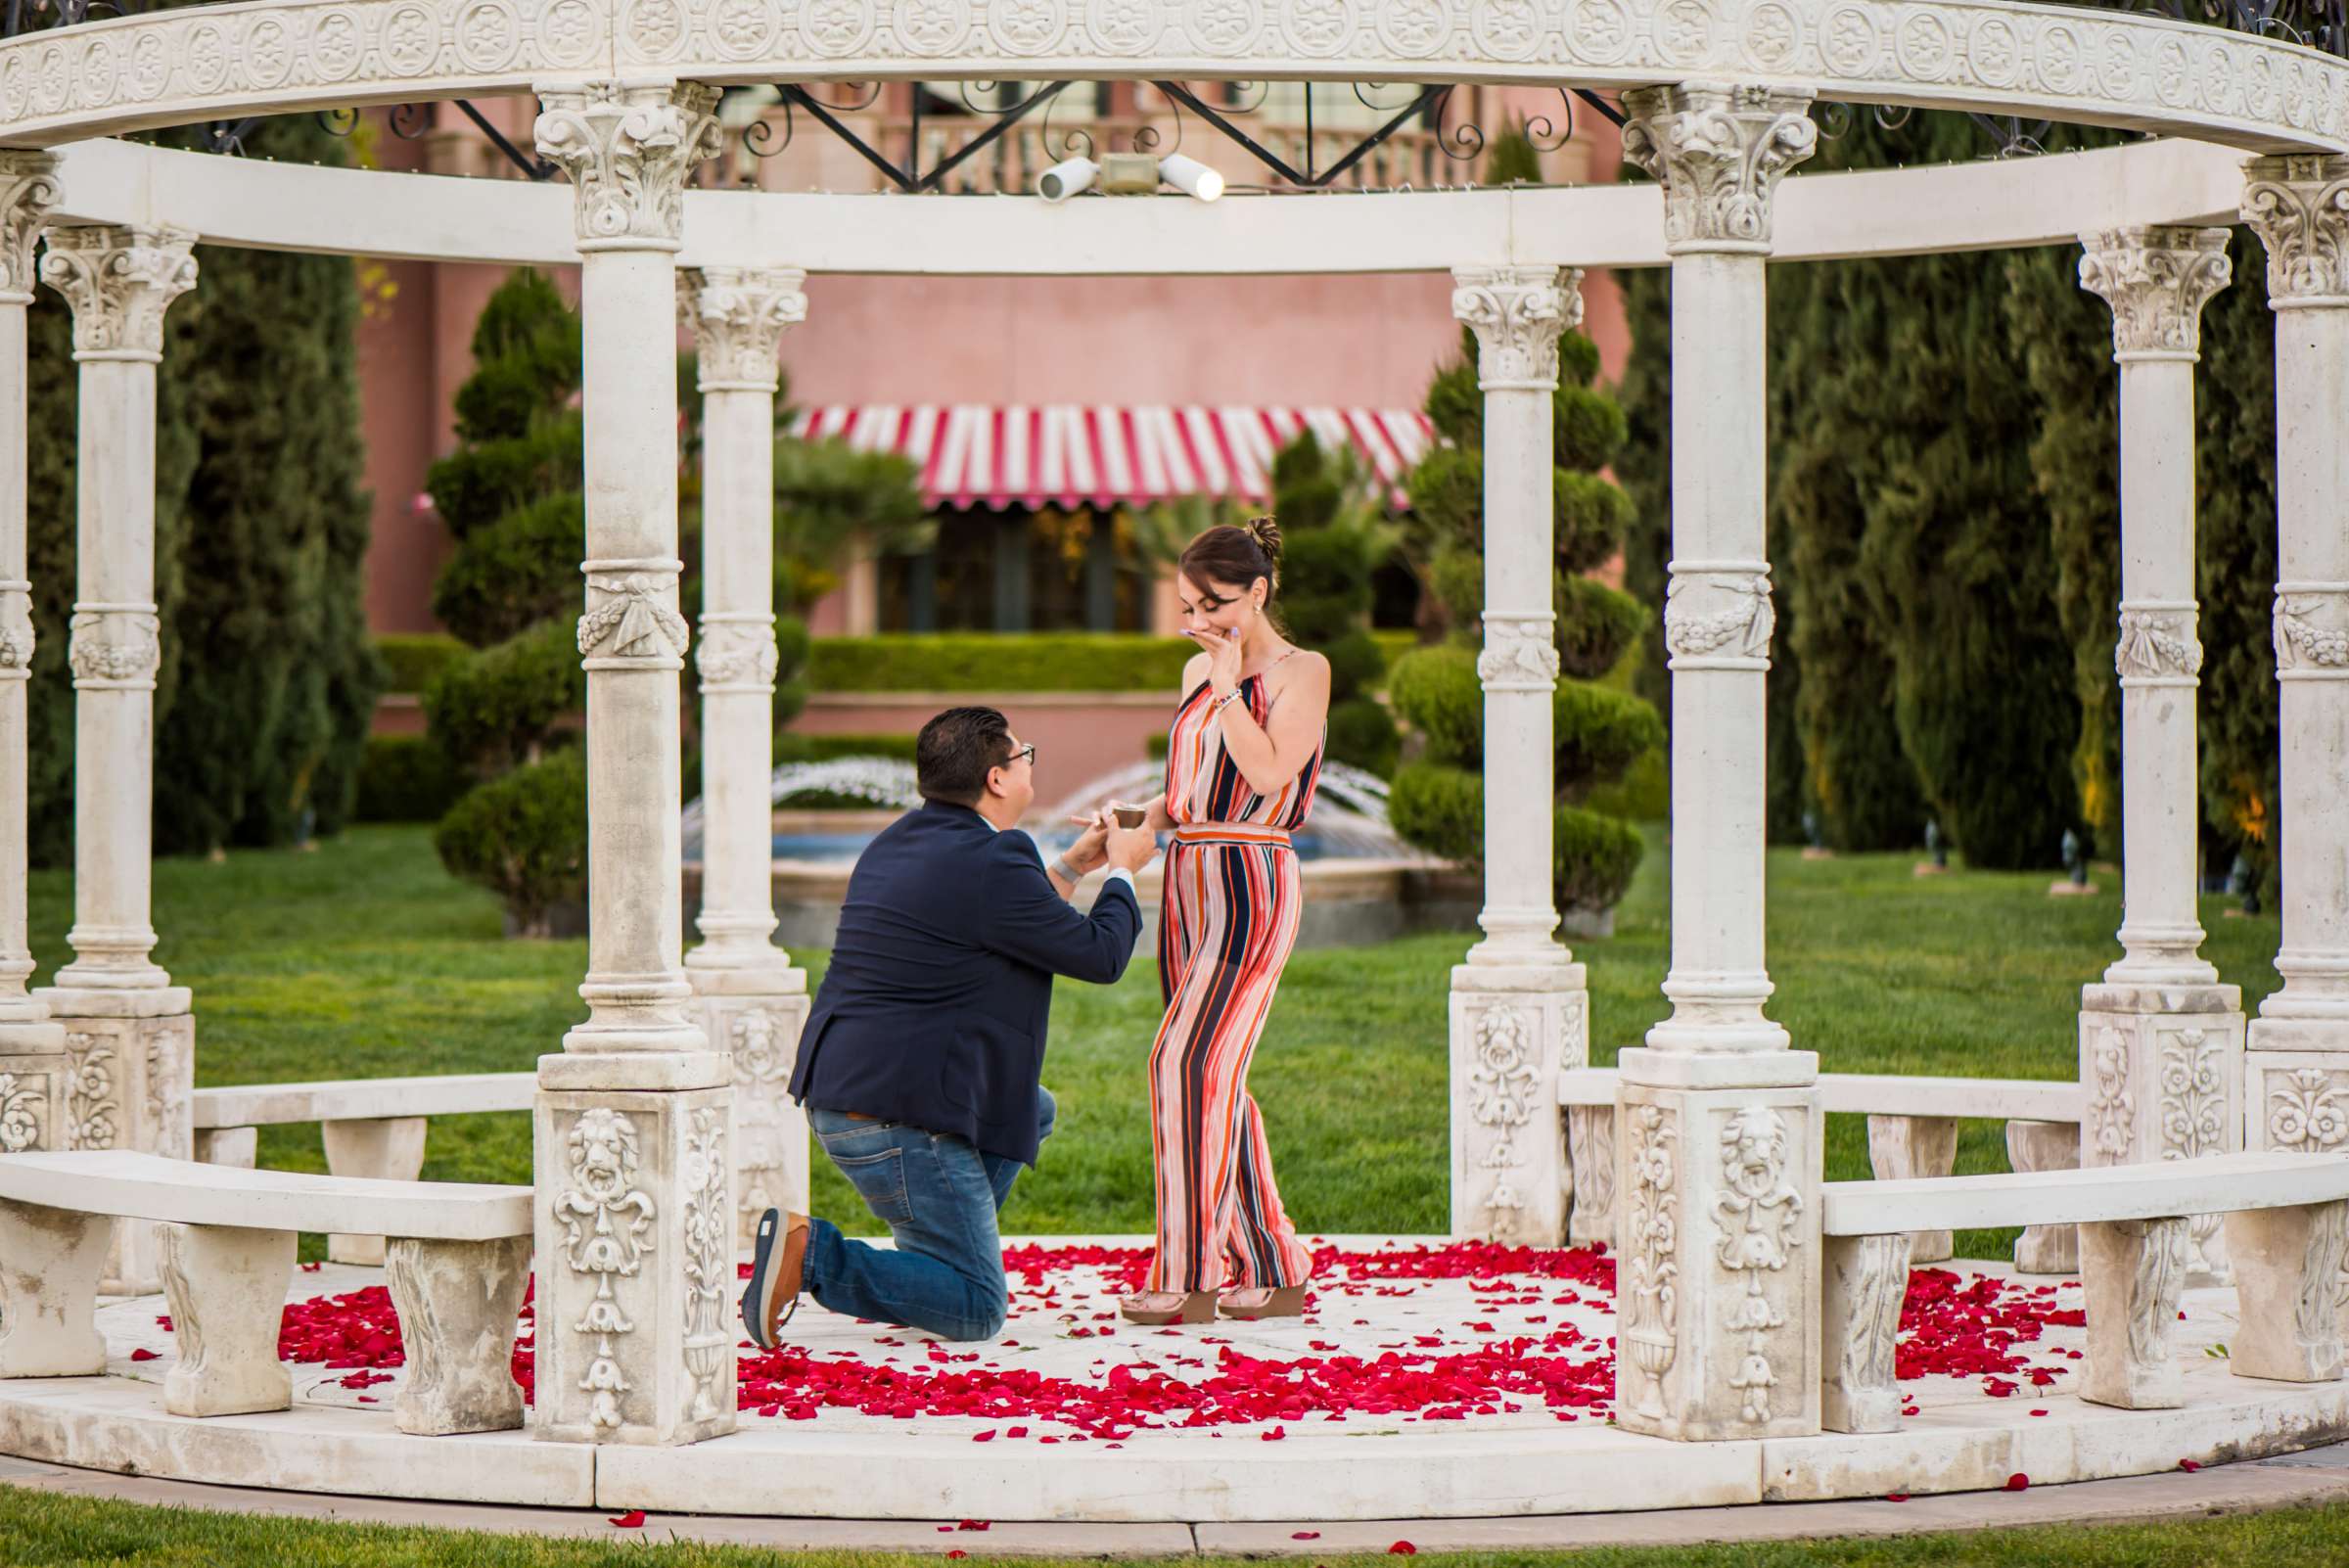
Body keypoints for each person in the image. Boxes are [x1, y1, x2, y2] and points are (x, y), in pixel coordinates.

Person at [742, 706, 1156, 1345]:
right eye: (1025, 757)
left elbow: (1008, 913)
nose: (1028, 768)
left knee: (1030, 1109)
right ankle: (815, 1255)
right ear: (996, 778)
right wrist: (1127, 868)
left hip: (842, 1098)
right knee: (975, 1307)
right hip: (904, 1116)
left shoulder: (900, 841)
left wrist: (1075, 865)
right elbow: (1100, 956)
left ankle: (928, 1265)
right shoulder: (998, 857)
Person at [1119, 517, 1330, 1325]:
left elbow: (1271, 770)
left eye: (1215, 604)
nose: (1199, 622)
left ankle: (1189, 1272)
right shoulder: (1194, 670)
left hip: (1252, 876)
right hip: (1186, 877)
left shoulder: (1301, 671)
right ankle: (1274, 1266)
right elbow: (1188, 793)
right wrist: (1130, 820)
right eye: (1186, 606)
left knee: (1180, 1062)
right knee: (1213, 1075)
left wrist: (1228, 682)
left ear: (1259, 593)